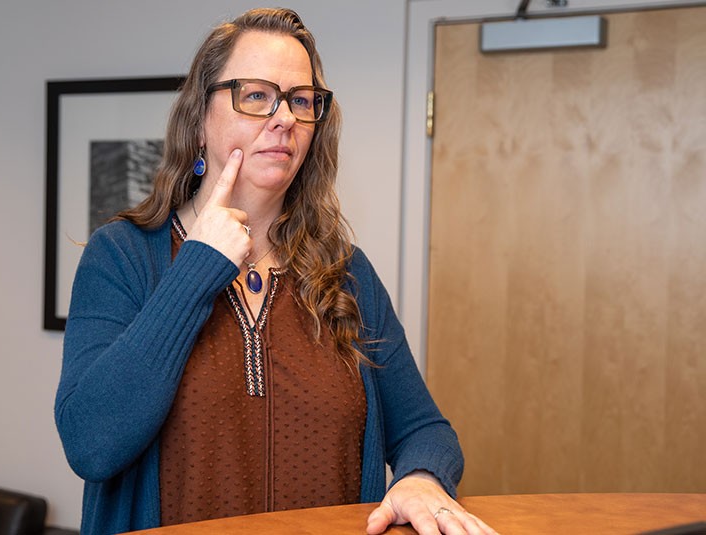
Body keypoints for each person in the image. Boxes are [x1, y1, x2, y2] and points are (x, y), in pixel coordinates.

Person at [55, 7, 497, 535]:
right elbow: (91, 442)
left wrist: (422, 476)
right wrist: (197, 269)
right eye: (257, 95)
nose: (284, 117)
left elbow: (425, 429)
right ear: (199, 119)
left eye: (301, 101)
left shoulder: (347, 275)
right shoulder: (121, 257)